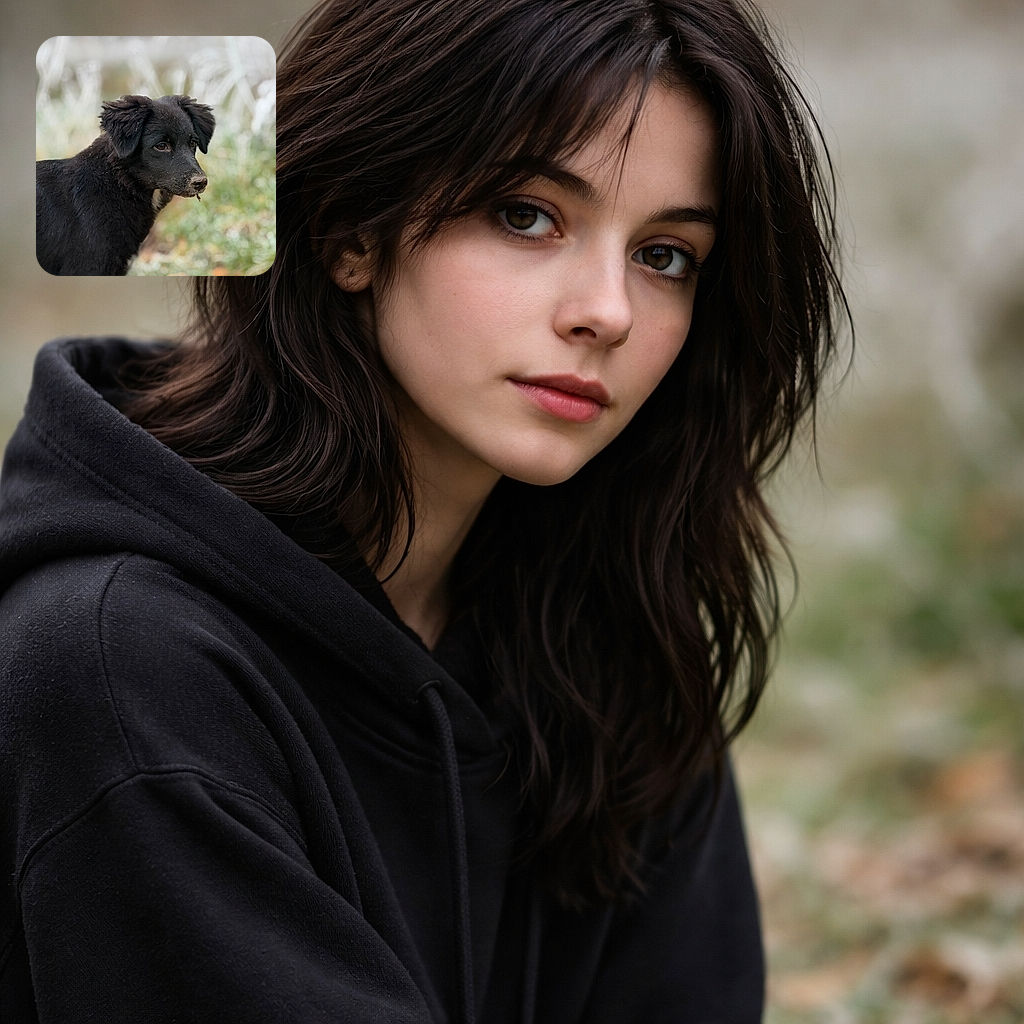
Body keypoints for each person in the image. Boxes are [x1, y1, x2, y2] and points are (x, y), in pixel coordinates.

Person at [0, 0, 847, 1020]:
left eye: (664, 254)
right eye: (527, 214)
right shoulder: (117, 661)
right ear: (349, 230)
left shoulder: (604, 619)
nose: (609, 311)